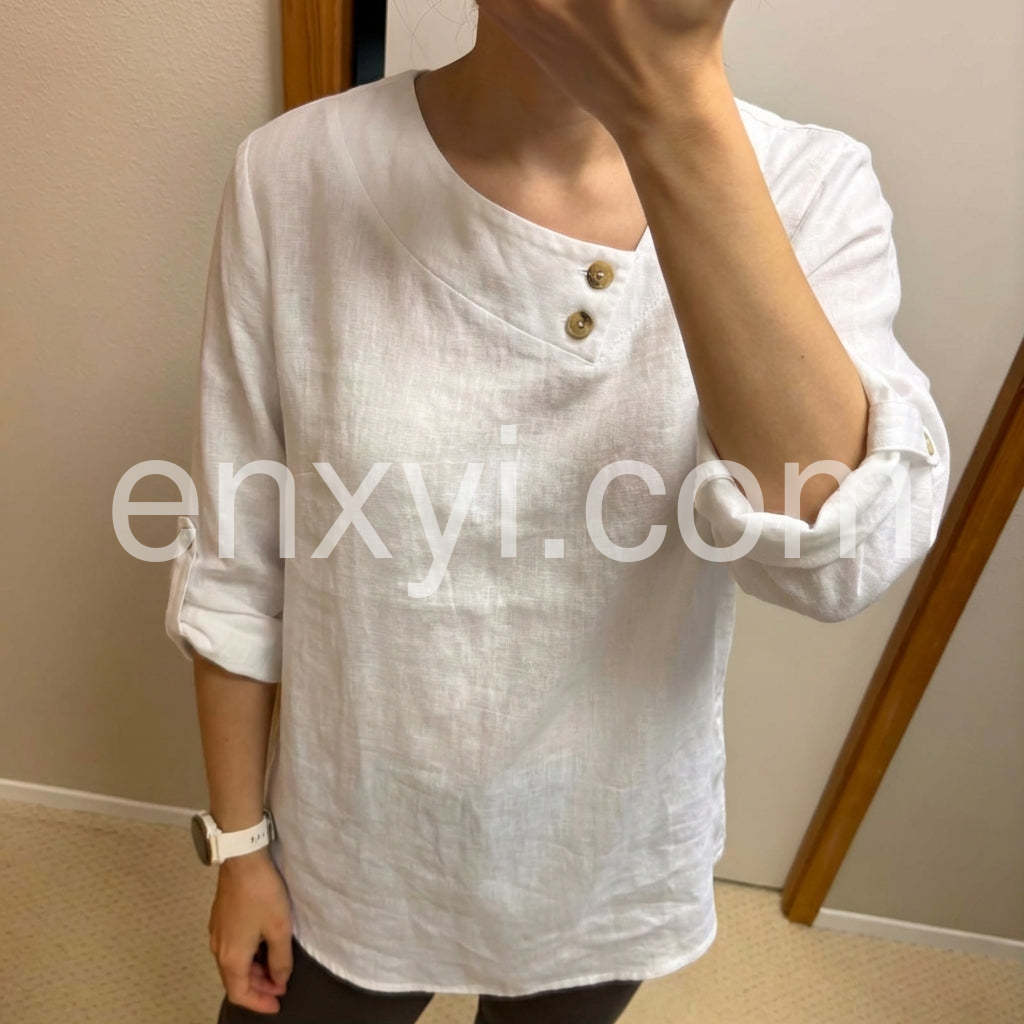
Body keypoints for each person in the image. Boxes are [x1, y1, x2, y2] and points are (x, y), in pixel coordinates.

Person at [166, 2, 950, 1021]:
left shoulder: (810, 190)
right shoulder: (294, 172)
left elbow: (834, 560)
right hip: (350, 839)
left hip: (600, 853)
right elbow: (238, 558)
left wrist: (674, 112)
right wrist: (239, 848)